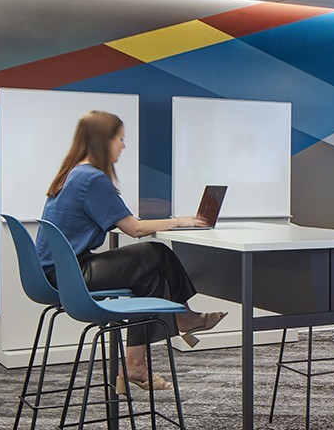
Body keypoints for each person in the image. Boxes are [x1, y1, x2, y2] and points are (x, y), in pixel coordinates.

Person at [37, 110, 224, 391]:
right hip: (69, 274)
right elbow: (133, 229)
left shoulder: (74, 173)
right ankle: (185, 316)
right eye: (120, 139)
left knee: (150, 280)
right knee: (157, 253)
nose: (123, 146)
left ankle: (135, 365)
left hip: (57, 271)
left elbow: (120, 222)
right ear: (104, 140)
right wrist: (181, 221)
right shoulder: (92, 178)